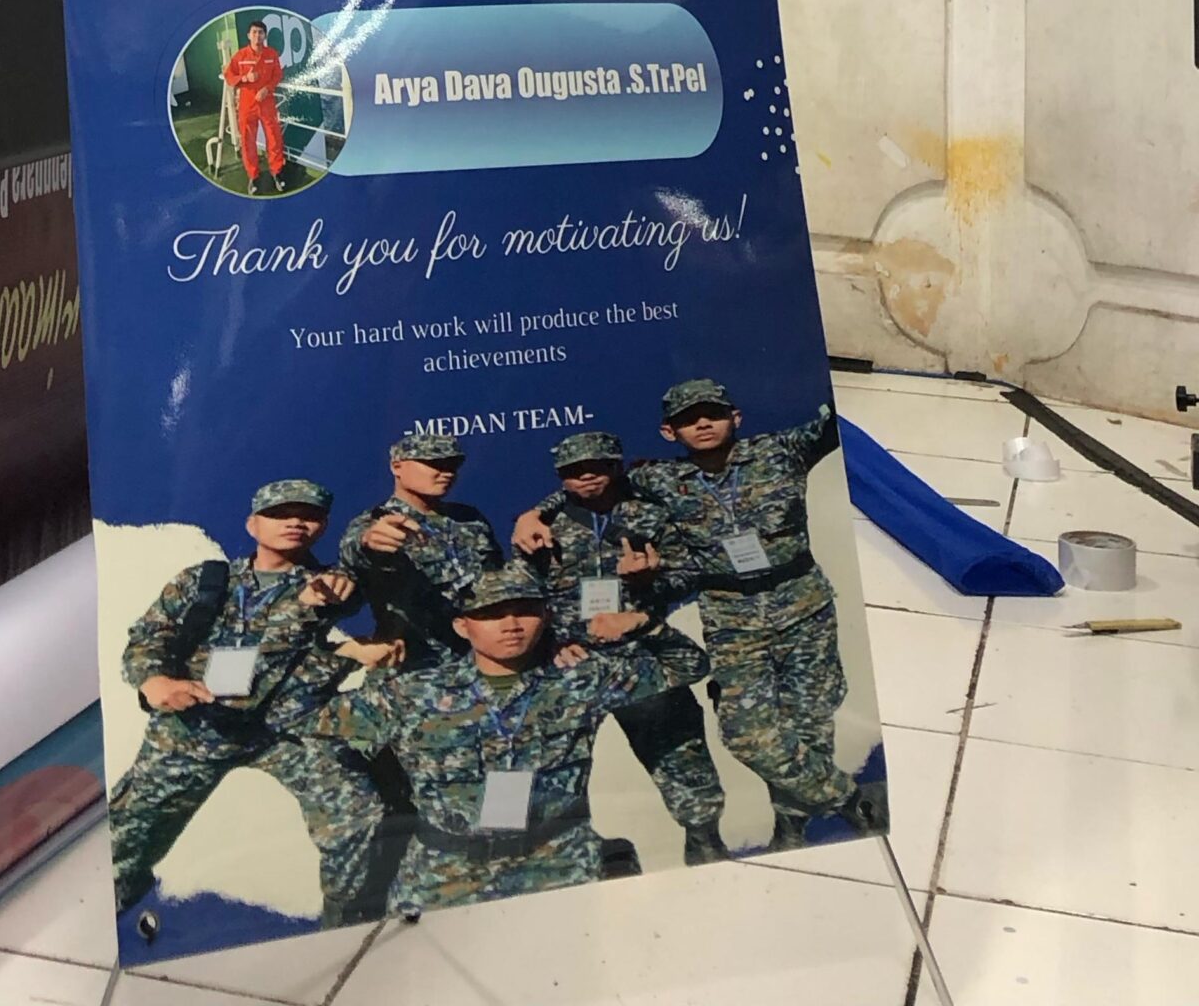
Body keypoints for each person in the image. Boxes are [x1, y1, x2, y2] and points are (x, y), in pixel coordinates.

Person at [312, 564, 706, 908]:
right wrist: (342, 655)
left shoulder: (580, 678)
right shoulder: (411, 693)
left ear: (546, 616)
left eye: (525, 611)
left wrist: (647, 624)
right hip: (446, 875)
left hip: (560, 862)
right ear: (462, 626)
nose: (511, 624)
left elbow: (688, 666)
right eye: (491, 614)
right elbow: (303, 720)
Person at [108, 479, 392, 924]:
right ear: (252, 524)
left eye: (309, 516)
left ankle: (348, 926)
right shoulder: (205, 580)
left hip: (282, 732)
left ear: (322, 527)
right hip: (193, 728)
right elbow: (148, 638)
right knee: (124, 839)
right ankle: (102, 920)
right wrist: (154, 681)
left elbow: (358, 574)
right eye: (280, 513)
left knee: (357, 815)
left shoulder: (331, 586)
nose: (295, 522)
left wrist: (332, 617)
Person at [630, 378, 883, 852]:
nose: (702, 423)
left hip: (804, 606)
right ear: (669, 432)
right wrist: (538, 513)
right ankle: (850, 799)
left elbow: (837, 416)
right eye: (688, 419)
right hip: (733, 621)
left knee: (808, 725)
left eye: (713, 413)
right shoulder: (658, 480)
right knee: (747, 734)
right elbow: (590, 485)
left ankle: (791, 829)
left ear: (736, 418)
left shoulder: (782, 450)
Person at [509, 430, 728, 865]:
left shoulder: (651, 516)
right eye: (575, 471)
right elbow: (519, 591)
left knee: (684, 760)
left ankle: (705, 844)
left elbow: (689, 574)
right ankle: (554, 856)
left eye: (599, 466)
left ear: (616, 465)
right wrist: (547, 644)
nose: (588, 476)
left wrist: (651, 581)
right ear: (560, 476)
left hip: (641, 656)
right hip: (568, 660)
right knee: (537, 767)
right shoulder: (541, 528)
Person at [339, 427, 504, 667]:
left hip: (485, 657)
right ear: (397, 467)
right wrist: (369, 542)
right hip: (421, 665)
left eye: (452, 465)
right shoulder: (374, 522)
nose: (446, 473)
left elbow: (499, 577)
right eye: (433, 464)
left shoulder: (469, 518)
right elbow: (355, 554)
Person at [222, 20, 288, 193]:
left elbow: (277, 75)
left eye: (260, 32)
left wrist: (268, 89)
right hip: (247, 104)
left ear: (265, 35)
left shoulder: (271, 54)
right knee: (247, 141)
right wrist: (244, 78)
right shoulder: (240, 56)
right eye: (254, 32)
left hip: (267, 103)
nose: (257, 35)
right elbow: (228, 75)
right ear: (248, 35)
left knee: (274, 138)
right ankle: (253, 176)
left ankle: (277, 172)